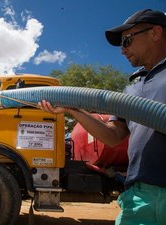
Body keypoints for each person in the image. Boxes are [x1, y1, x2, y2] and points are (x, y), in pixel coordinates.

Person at [38, 9, 166, 225]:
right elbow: (114, 136)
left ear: (155, 32)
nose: (123, 51)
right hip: (140, 196)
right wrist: (73, 109)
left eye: (127, 41)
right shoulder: (131, 91)